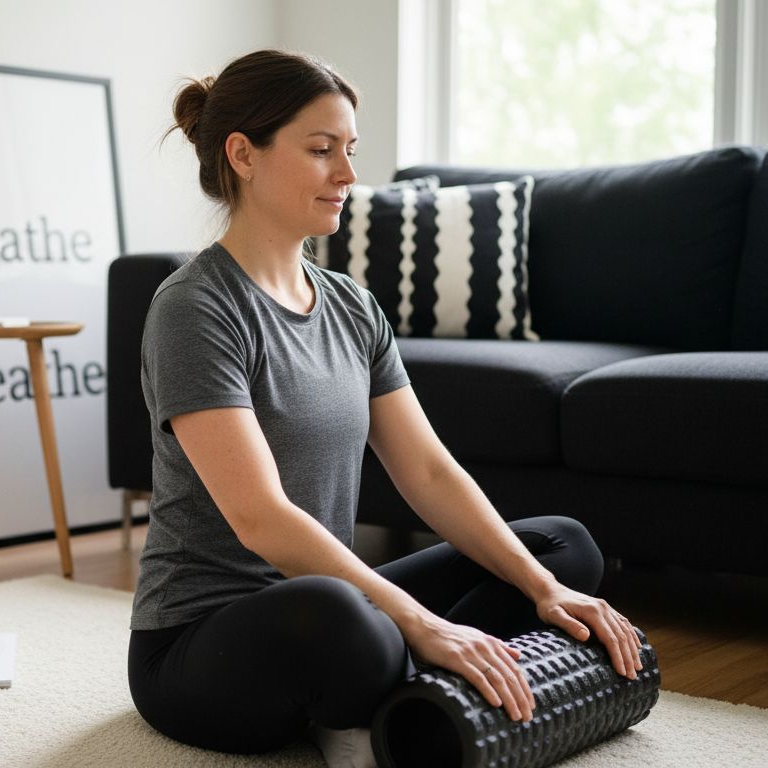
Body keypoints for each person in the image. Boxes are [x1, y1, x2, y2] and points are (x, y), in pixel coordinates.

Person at [128, 49, 642, 766]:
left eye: (350, 151)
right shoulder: (196, 308)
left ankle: (382, 688)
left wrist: (543, 588)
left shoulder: (351, 306)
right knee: (344, 618)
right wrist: (421, 622)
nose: (347, 174)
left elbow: (427, 471)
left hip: (329, 605)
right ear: (243, 154)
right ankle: (396, 679)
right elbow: (259, 517)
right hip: (196, 642)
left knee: (562, 547)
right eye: (321, 150)